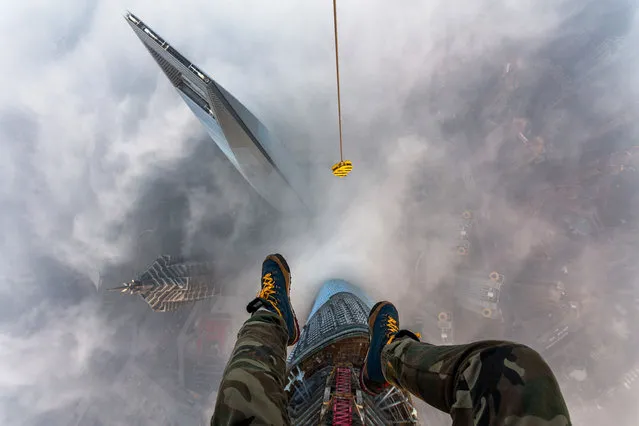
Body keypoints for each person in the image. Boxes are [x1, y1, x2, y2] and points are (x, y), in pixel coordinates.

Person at [212, 254, 572, 425]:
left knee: (241, 406)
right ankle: (388, 356)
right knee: (512, 374)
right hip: (383, 410)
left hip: (306, 388)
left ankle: (271, 316)